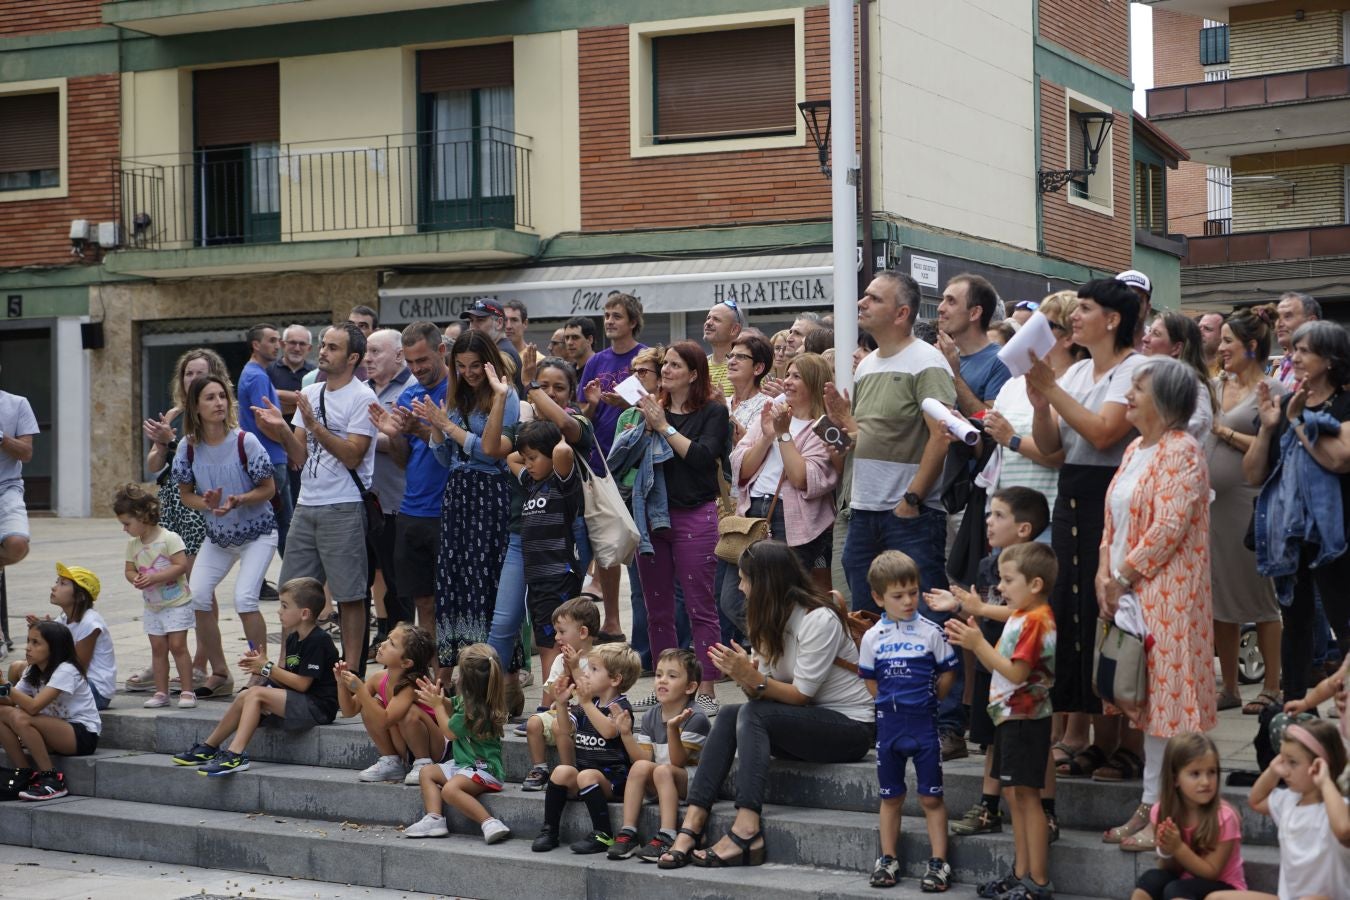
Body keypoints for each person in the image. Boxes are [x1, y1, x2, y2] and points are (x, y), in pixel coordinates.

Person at [659, 541, 874, 869]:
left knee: (752, 714)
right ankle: (693, 823)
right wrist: (746, 678)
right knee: (732, 712)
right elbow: (761, 697)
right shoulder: (767, 619)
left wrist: (752, 678)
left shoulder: (819, 618)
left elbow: (802, 695)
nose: (740, 587)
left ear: (765, 583)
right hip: (805, 722)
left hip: (851, 727)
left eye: (744, 579)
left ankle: (747, 829)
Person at [1025, 277, 1147, 783]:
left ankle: (1124, 743)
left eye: (1087, 309)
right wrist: (1039, 404)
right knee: (1073, 613)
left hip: (1114, 489)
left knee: (1114, 614)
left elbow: (1103, 433)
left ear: (1113, 319)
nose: (1075, 317)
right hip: (1074, 489)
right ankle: (1086, 736)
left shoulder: (1136, 369)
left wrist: (1051, 389)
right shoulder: (1076, 371)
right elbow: (1052, 447)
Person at [841, 271, 963, 757]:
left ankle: (948, 724)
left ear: (902, 312)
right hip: (865, 509)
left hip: (908, 513)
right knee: (864, 618)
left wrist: (912, 498)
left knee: (927, 615)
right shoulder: (867, 363)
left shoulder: (928, 361)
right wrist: (839, 424)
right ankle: (882, 714)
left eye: (873, 297)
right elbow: (863, 436)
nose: (862, 302)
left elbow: (943, 434)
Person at [1097, 358, 1216, 852]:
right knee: (1146, 703)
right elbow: (1114, 523)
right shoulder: (1134, 449)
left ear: (1164, 400)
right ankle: (1150, 803)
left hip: (1168, 595)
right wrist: (1106, 571)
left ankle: (1169, 812)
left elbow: (1167, 528)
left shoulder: (1182, 451)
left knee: (1169, 703)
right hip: (1128, 592)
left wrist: (1122, 575)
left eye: (1138, 388)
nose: (1128, 395)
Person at [932, 487, 1056, 841]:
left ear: (1024, 529)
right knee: (990, 741)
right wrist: (959, 605)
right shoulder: (990, 565)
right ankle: (989, 806)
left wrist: (979, 610)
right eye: (989, 513)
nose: (988, 520)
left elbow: (1018, 612)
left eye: (999, 515)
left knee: (1034, 746)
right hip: (992, 668)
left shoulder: (1036, 568)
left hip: (1023, 677)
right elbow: (982, 606)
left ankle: (1045, 811)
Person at [254, 323, 378, 674]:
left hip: (344, 504)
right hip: (308, 503)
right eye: (323, 345)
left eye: (333, 347)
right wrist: (280, 426)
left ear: (353, 357)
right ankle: (287, 667)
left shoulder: (362, 397)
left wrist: (316, 425)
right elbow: (299, 455)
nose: (322, 351)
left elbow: (354, 455)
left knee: (350, 595)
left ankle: (350, 673)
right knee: (292, 592)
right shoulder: (312, 391)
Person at [1244, 320, 1350, 703]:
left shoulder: (1344, 404)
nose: (1294, 356)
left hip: (1337, 534)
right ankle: (1292, 710)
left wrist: (1296, 420)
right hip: (1290, 534)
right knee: (1296, 622)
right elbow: (1254, 473)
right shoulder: (1283, 405)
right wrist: (1269, 428)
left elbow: (1338, 460)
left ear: (1330, 358)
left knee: (1344, 620)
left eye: (1305, 350)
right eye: (1296, 349)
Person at [946, 542, 1058, 900]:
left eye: (1008, 580)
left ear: (1035, 584)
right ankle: (1021, 872)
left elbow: (1016, 670)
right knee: (1015, 796)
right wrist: (976, 608)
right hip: (1011, 718)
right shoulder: (1025, 613)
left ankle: (1037, 881)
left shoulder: (1037, 621)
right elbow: (1005, 615)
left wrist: (977, 643)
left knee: (1028, 797)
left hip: (1026, 720)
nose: (1002, 588)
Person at [482, 356, 596, 679]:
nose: (549, 392)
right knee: (509, 624)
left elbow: (563, 441)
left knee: (557, 634)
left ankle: (553, 705)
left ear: (572, 392)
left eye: (558, 388)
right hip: (529, 553)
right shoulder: (531, 467)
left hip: (561, 555)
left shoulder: (572, 438)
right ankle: (488, 695)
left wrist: (530, 389)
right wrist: (513, 406)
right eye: (543, 386)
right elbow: (505, 454)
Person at [633, 341, 730, 717]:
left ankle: (704, 688)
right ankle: (665, 689)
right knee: (657, 608)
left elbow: (704, 458)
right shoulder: (649, 410)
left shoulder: (713, 412)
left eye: (675, 365)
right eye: (666, 364)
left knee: (700, 606)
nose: (667, 370)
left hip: (694, 515)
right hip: (652, 516)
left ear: (693, 374)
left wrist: (663, 426)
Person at [420, 331, 518, 678]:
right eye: (461, 366)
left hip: (489, 493)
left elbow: (493, 454)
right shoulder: (456, 397)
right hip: (458, 493)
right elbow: (447, 457)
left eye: (475, 365)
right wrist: (436, 428)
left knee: (483, 575)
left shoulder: (505, 397)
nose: (469, 372)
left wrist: (450, 426)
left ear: (489, 362)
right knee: (454, 578)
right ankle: (452, 668)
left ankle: (492, 670)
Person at [174, 374, 277, 699]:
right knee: (199, 596)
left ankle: (260, 672)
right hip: (218, 536)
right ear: (196, 406)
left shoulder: (245, 441)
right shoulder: (188, 447)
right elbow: (185, 494)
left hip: (258, 533)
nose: (219, 402)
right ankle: (220, 673)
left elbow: (269, 489)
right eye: (210, 397)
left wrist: (239, 499)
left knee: (245, 598)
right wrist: (205, 502)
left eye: (222, 396)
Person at [860, 551, 958, 891]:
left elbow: (947, 675)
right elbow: (871, 682)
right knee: (891, 797)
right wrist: (889, 704)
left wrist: (933, 701)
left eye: (913, 593)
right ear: (878, 597)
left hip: (924, 725)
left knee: (931, 798)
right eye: (898, 596)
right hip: (889, 728)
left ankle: (939, 862)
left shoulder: (931, 632)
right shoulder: (872, 637)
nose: (908, 601)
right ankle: (887, 858)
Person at [171, 577, 338, 776]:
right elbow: (289, 680)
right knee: (246, 694)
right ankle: (209, 747)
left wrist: (267, 666)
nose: (279, 611)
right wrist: (262, 669)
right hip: (301, 701)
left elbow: (302, 685)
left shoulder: (319, 640)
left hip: (319, 708)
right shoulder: (294, 638)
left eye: (285, 606)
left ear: (304, 613)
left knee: (257, 693)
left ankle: (235, 755)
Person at [137, 349, 228, 695]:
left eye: (200, 373)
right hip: (172, 502)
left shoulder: (217, 412)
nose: (192, 378)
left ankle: (202, 662)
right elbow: (153, 464)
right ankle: (166, 658)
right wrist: (161, 443)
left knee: (197, 584)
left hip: (199, 503)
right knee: (166, 582)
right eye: (188, 373)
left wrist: (171, 442)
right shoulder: (174, 415)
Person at [1208, 307, 1284, 714]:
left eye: (1227, 342)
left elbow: (1272, 451)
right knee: (1220, 595)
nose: (1220, 349)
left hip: (1247, 503)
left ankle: (1271, 685)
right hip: (1212, 506)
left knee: (1258, 593)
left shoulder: (1272, 391)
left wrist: (1224, 432)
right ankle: (1230, 688)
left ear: (1251, 347)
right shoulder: (1215, 387)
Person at [730, 352, 839, 597]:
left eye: (796, 376)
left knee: (780, 597)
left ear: (813, 382)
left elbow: (803, 478)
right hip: (751, 512)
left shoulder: (824, 426)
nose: (787, 381)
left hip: (789, 518)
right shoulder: (771, 414)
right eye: (787, 374)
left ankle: (777, 636)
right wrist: (767, 436)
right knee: (733, 597)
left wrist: (784, 434)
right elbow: (741, 467)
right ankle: (763, 636)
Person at [368, 322, 451, 640]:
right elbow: (403, 460)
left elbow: (463, 450)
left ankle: (451, 669)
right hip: (412, 510)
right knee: (423, 601)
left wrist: (421, 430)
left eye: (423, 361)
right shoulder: (410, 394)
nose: (417, 369)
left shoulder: (455, 392)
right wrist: (395, 435)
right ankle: (430, 673)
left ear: (440, 351)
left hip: (448, 510)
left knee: (452, 600)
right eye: (411, 363)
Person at [1208, 718, 1348, 900]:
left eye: (1293, 763)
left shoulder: (1338, 808)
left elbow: (1344, 830)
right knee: (1216, 898)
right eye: (1283, 760)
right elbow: (1255, 801)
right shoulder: (1288, 800)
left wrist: (1325, 781)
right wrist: (1273, 770)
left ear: (1320, 765)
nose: (1285, 770)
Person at [579, 294, 647, 641]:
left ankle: (644, 627)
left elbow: (654, 403)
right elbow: (583, 414)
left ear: (633, 320)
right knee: (605, 542)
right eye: (606, 315)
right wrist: (592, 405)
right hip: (599, 460)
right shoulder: (596, 362)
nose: (609, 321)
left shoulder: (644, 357)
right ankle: (613, 622)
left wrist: (627, 400)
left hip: (635, 463)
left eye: (617, 315)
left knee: (635, 544)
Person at [532, 642, 642, 854]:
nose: (586, 673)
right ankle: (550, 830)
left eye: (593, 669)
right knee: (561, 771)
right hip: (586, 778)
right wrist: (562, 704)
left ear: (615, 679)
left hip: (613, 781)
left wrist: (587, 703)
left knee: (587, 776)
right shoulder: (587, 703)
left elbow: (610, 732)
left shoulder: (620, 707)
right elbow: (564, 730)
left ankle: (603, 834)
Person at [607, 647, 712, 861]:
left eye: (672, 676)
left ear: (690, 687)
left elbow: (678, 762)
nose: (662, 680)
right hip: (663, 777)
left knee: (664, 770)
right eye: (658, 675)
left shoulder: (697, 717)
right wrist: (626, 734)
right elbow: (644, 761)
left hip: (693, 783)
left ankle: (667, 835)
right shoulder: (651, 715)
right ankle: (628, 832)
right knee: (638, 767)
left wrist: (672, 729)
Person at [982, 292, 1083, 512]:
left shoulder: (1080, 381)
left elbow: (1062, 455)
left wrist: (1012, 439)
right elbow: (995, 444)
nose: (1034, 330)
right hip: (1006, 517)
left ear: (1069, 337)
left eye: (1045, 324)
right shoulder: (1015, 383)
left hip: (1048, 515)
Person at [403, 644, 512, 843]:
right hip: (465, 766)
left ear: (466, 680)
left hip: (484, 769)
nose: (456, 677)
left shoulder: (476, 712)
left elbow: (448, 732)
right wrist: (438, 699)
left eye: (459, 672)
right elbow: (452, 704)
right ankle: (434, 818)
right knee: (427, 772)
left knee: (450, 790)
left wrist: (436, 707)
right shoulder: (470, 699)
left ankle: (489, 822)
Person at [506, 418, 583, 684]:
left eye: (534, 457)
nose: (527, 463)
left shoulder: (562, 483)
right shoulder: (531, 482)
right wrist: (530, 447)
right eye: (526, 457)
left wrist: (554, 437)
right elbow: (510, 458)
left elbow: (563, 452)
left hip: (558, 575)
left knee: (556, 641)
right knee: (546, 638)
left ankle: (551, 704)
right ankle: (556, 701)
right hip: (537, 579)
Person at [1130, 733, 1246, 900]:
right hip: (1186, 882)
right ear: (1175, 778)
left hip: (1224, 889)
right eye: (1195, 774)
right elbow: (1170, 868)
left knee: (1177, 890)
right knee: (1151, 879)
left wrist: (1178, 848)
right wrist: (1166, 849)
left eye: (1212, 772)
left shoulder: (1225, 817)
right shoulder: (1161, 811)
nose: (1206, 781)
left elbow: (1211, 873)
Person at [0, 621, 101, 800]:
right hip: (52, 731)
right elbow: (9, 702)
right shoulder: (33, 669)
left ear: (54, 648)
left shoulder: (67, 670)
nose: (28, 648)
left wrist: (6, 686)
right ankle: (25, 774)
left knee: (22, 718)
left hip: (81, 735)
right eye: (28, 641)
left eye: (35, 643)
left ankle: (52, 780)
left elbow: (33, 707)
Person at [334, 623, 442, 785]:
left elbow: (386, 720)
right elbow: (349, 711)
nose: (382, 644)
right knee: (369, 705)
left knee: (409, 712)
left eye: (391, 644)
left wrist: (360, 690)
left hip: (434, 748)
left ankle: (423, 763)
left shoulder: (411, 685)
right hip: (404, 744)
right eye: (387, 639)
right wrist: (341, 684)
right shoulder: (379, 678)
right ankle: (391, 761)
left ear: (406, 663)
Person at [115, 486, 192, 709]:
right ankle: (161, 692)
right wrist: (135, 578)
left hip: (177, 603)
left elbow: (181, 566)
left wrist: (155, 577)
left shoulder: (170, 538)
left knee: (178, 646)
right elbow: (129, 570)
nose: (124, 529)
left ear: (142, 517)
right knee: (158, 648)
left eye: (127, 523)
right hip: (153, 606)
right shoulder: (133, 545)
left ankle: (187, 691)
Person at [361, 329, 411, 651]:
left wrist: (358, 442)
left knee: (398, 585)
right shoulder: (360, 391)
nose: (367, 358)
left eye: (375, 352)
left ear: (398, 355)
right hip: (361, 502)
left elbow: (406, 443)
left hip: (397, 503)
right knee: (359, 583)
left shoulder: (411, 389)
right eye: (366, 352)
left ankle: (402, 648)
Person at [519, 597, 597, 791]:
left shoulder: (599, 659)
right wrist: (566, 671)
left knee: (557, 724)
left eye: (561, 632)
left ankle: (568, 770)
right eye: (556, 632)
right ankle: (540, 768)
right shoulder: (560, 659)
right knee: (534, 722)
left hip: (591, 716)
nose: (556, 637)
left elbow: (591, 693)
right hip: (566, 711)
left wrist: (576, 668)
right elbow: (553, 693)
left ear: (583, 632)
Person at [238, 324, 293, 553]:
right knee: (277, 527)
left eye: (278, 340)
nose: (277, 346)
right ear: (256, 345)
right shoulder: (257, 376)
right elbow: (264, 421)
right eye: (271, 340)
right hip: (271, 458)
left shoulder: (255, 373)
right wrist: (288, 445)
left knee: (283, 525)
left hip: (270, 457)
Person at [936, 273, 1012, 415]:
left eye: (951, 301)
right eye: (943, 300)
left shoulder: (1001, 361)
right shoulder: (946, 356)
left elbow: (990, 425)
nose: (940, 307)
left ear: (974, 313)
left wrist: (954, 376)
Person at [0, 372, 38, 652]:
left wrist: (1, 437)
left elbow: (26, 452)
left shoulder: (17, 403)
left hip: (6, 488)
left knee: (17, 544)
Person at [1141, 312, 1215, 445]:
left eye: (1156, 334)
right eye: (1149, 331)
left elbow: (1181, 441)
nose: (1145, 338)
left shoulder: (1194, 392)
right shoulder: (1153, 382)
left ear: (1176, 348)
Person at [1271, 291, 1321, 387]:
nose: (1279, 324)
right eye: (1277, 317)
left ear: (1311, 322)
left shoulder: (1325, 370)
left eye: (1288, 316)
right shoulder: (1282, 366)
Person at [269, 324, 314, 418]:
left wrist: (276, 393)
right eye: (292, 343)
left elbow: (316, 407)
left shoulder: (315, 374)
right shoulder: (268, 371)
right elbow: (265, 406)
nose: (297, 348)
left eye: (302, 344)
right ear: (282, 344)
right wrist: (302, 404)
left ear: (309, 348)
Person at [703, 300, 743, 397]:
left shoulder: (746, 367)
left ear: (734, 329)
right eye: (708, 318)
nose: (708, 323)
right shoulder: (700, 365)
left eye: (716, 319)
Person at [1197, 313, 1224, 378]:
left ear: (1222, 334)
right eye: (1198, 328)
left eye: (1207, 329)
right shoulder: (1185, 363)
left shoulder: (1227, 368)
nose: (1199, 332)